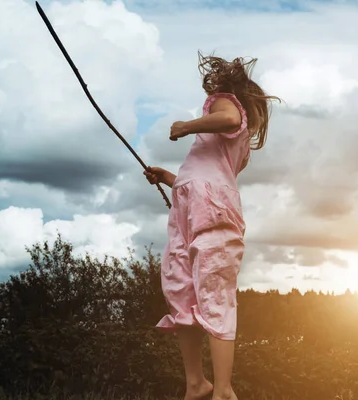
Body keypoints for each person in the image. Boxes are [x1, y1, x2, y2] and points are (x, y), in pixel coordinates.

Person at [143, 52, 280, 400]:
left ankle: (222, 389)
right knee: (181, 290)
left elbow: (229, 116)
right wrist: (170, 179)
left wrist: (188, 126)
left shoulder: (228, 106)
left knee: (214, 293)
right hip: (189, 209)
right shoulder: (229, 142)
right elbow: (205, 178)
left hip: (212, 213)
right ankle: (196, 383)